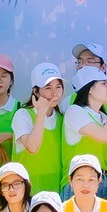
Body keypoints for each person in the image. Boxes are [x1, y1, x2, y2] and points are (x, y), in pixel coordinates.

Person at [11, 62, 70, 198]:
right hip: (27, 192)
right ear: (36, 91)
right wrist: (41, 112)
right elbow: (32, 147)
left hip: (55, 192)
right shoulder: (23, 115)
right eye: (48, 88)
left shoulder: (62, 117)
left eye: (58, 87)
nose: (54, 93)